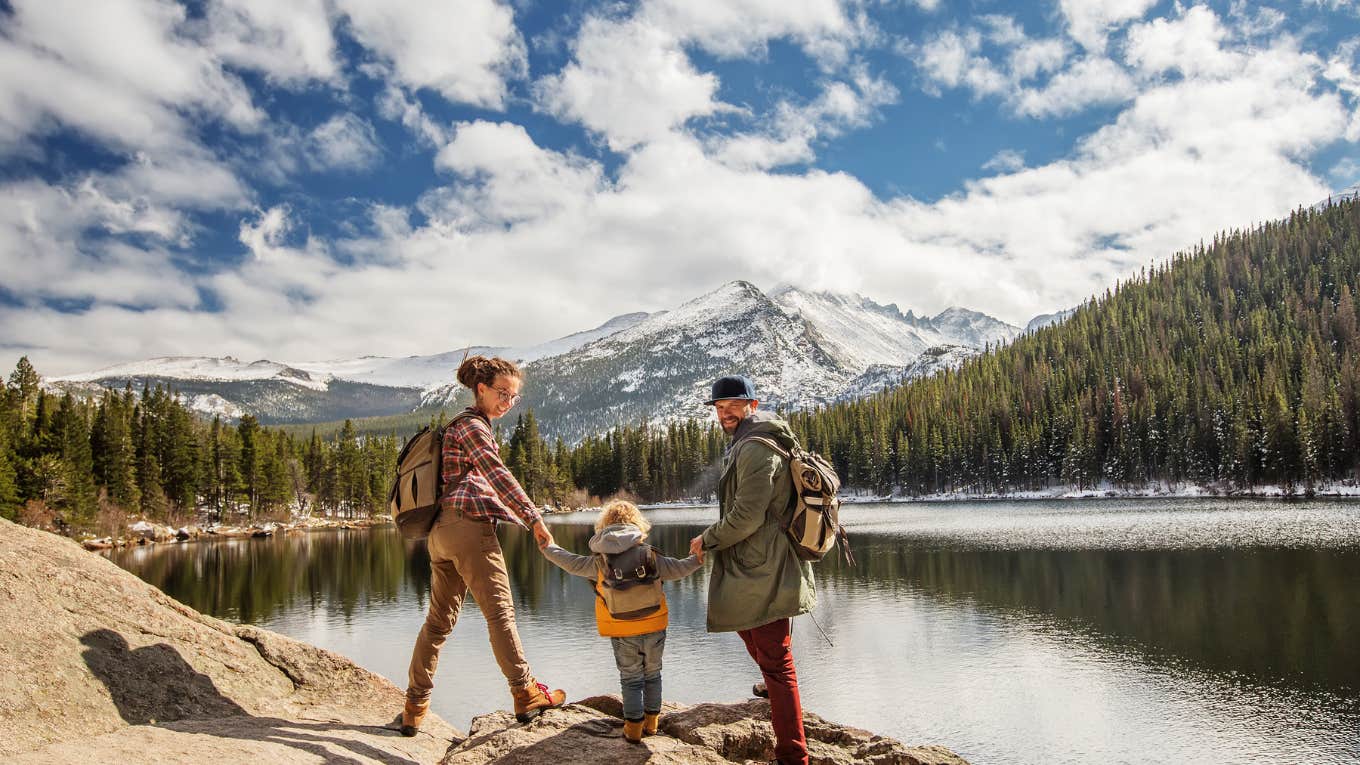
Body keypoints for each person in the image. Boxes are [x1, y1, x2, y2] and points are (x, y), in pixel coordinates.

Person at [400, 355, 566, 736]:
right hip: (468, 530)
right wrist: (533, 517)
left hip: (440, 535)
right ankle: (525, 692)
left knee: (438, 622)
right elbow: (496, 472)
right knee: (500, 613)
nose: (507, 402)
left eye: (513, 397)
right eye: (502, 394)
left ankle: (414, 705)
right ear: (481, 389)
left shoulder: (457, 425)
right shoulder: (475, 426)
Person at [688, 375, 816, 765]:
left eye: (732, 406)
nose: (725, 413)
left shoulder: (757, 449)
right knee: (750, 631)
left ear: (751, 405)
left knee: (779, 663)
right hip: (755, 563)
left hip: (766, 566)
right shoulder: (747, 442)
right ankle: (772, 689)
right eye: (719, 408)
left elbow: (746, 515)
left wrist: (707, 539)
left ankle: (794, 755)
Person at [538, 500, 702, 743]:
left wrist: (548, 548)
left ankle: (633, 728)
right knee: (653, 674)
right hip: (654, 625)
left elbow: (571, 563)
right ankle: (652, 724)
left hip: (621, 628)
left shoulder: (600, 561)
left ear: (604, 525)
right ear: (637, 524)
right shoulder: (650, 555)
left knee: (631, 677)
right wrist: (698, 559)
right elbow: (678, 569)